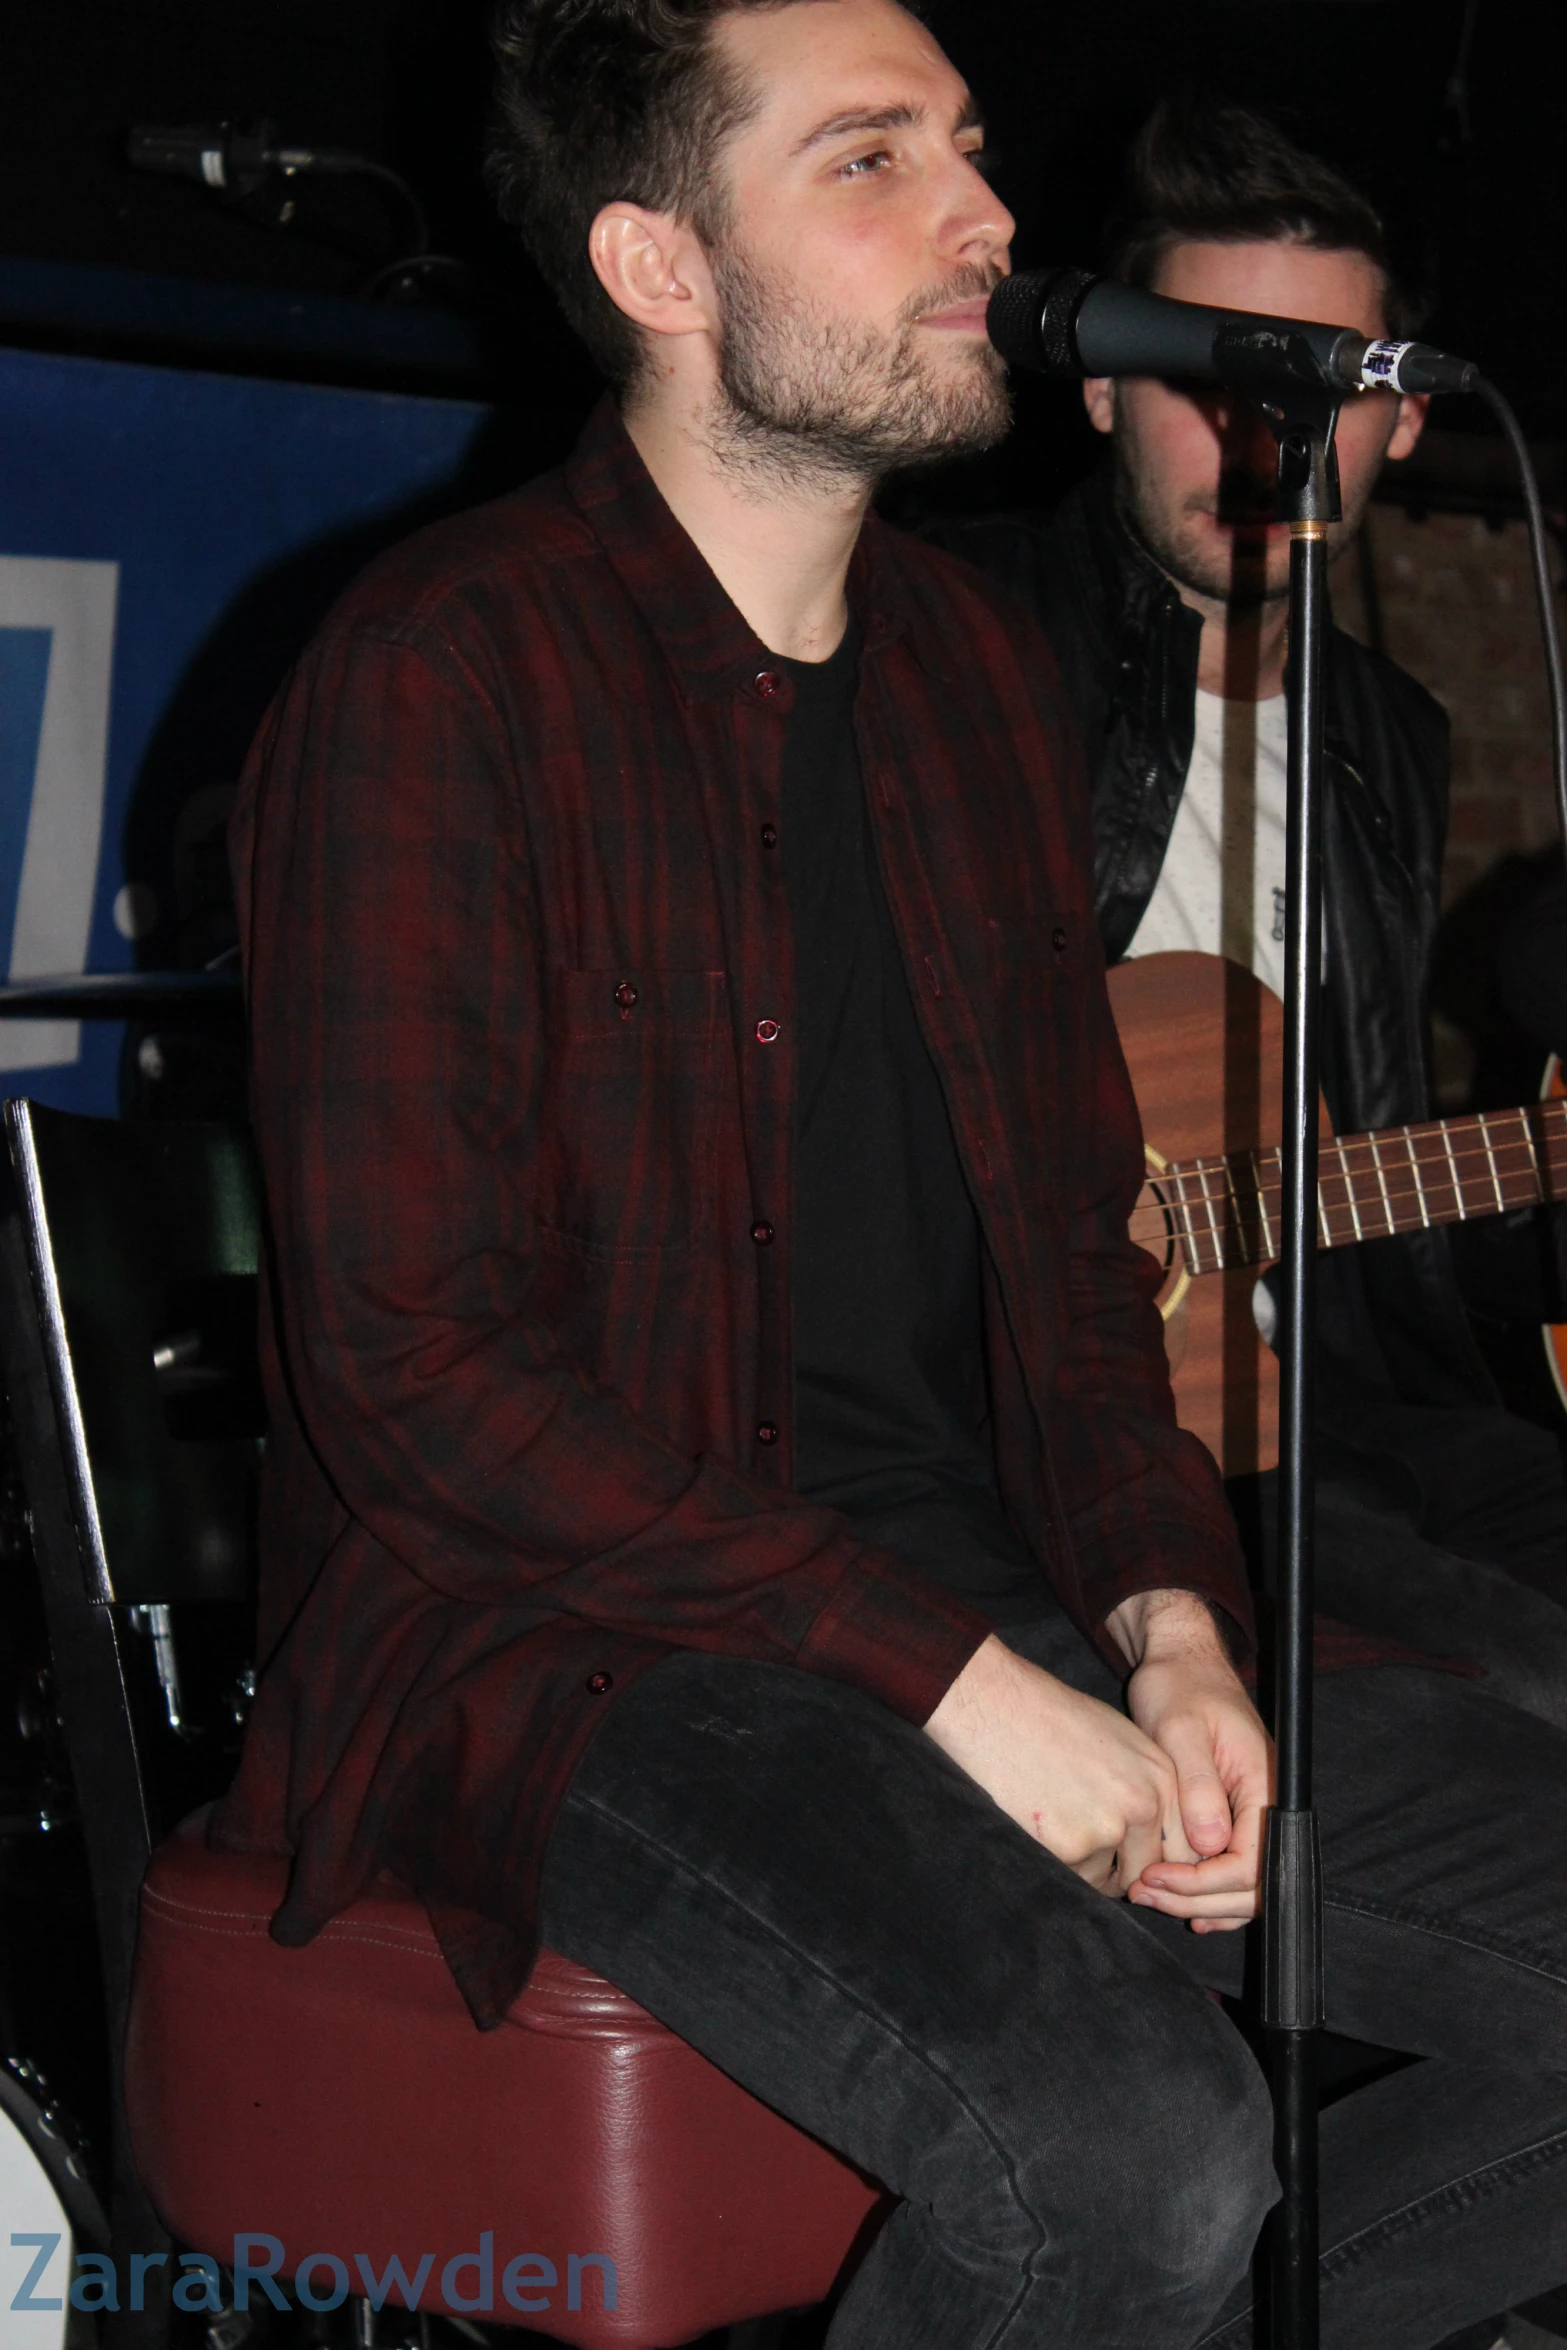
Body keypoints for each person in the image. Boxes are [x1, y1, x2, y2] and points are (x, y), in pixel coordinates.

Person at [218, 9, 1567, 2344]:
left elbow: (1067, 1260)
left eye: (966, 141)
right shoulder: (439, 673)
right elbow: (417, 1369)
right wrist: (950, 1675)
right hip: (558, 1648)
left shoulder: (960, 671)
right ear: (659, 261)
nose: (988, 215)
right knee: (1137, 2138)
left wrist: (1163, 1612)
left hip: (979, 1583)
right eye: (874, 159)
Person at [928, 99, 1567, 1735]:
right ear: (1095, 385)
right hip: (1058, 1436)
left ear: (1405, 423)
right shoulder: (944, 644)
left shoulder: (1389, 741)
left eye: (1320, 385)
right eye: (1206, 372)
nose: (1261, 435)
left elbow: (1358, 1164)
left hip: (1336, 1404)